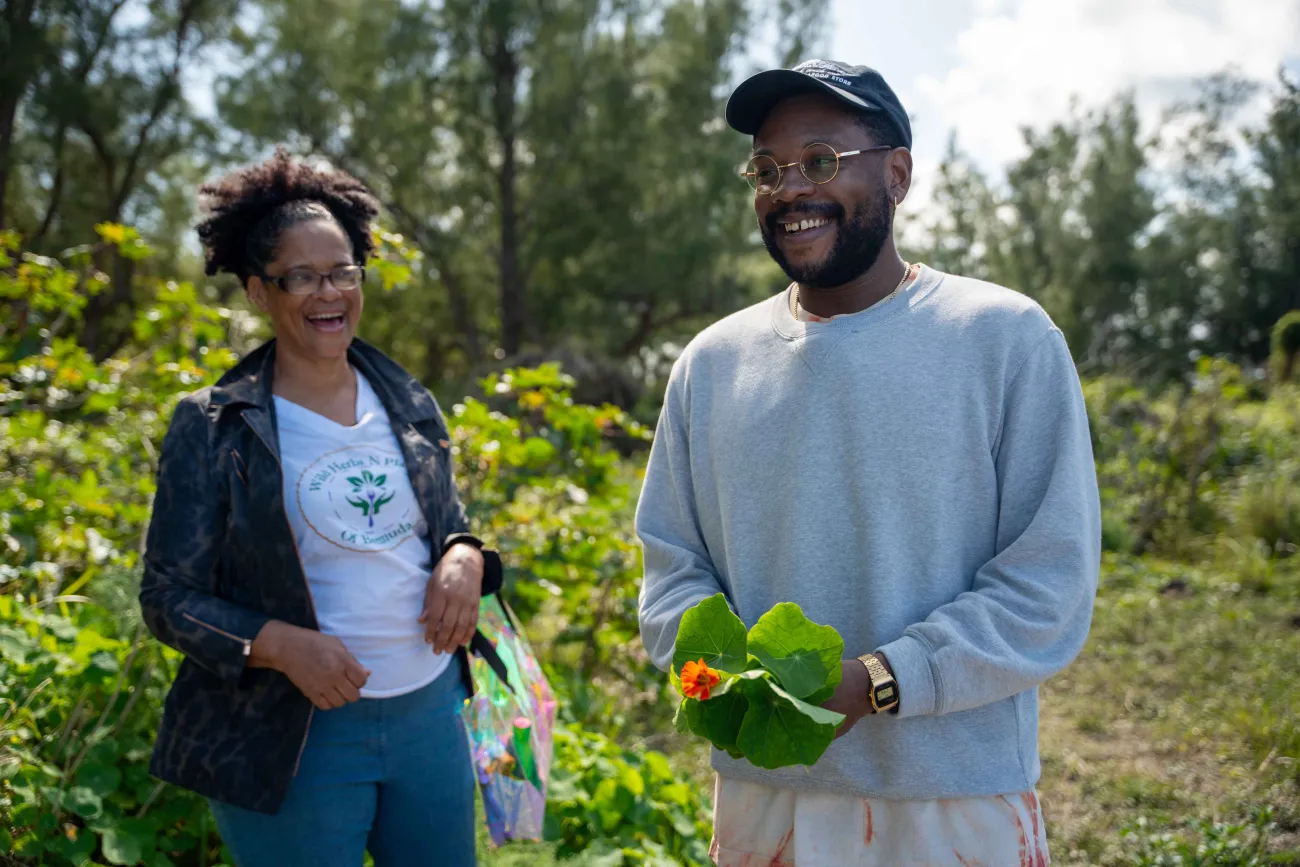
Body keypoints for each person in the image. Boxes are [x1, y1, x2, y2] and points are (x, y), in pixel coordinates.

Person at [637, 59, 1100, 866]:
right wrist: (728, 676)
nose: (789, 189)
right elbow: (673, 567)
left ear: (897, 173)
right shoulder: (712, 363)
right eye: (769, 169)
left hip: (951, 794)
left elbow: (1048, 583)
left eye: (821, 161)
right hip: (765, 795)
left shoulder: (1004, 339)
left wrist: (884, 679)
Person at [139, 150, 500, 867]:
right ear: (256, 291)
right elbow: (165, 596)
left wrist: (465, 558)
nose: (326, 291)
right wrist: (278, 643)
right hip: (290, 734)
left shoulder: (408, 401)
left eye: (341, 270)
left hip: (429, 714)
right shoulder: (213, 425)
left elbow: (445, 521)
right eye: (299, 275)